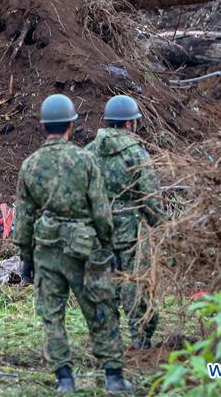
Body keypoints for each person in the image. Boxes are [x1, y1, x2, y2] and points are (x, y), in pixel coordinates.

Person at [14, 94, 131, 394]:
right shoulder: (85, 160)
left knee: (52, 316)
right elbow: (101, 212)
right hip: (83, 247)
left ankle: (64, 379)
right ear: (70, 126)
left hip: (47, 249)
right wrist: (108, 248)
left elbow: (24, 219)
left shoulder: (29, 166)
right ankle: (114, 377)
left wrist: (26, 258)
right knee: (99, 309)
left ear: (44, 127)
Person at [87, 95, 165, 350]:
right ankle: (141, 340)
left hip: (98, 231)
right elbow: (151, 198)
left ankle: (107, 342)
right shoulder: (136, 153)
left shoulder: (88, 152)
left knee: (102, 287)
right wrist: (163, 228)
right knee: (135, 286)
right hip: (131, 232)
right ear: (130, 123)